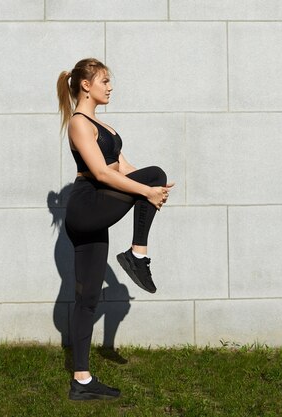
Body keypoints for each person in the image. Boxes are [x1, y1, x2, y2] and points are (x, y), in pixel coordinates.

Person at [56, 58, 174, 400]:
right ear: (85, 85)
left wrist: (156, 189)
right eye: (105, 81)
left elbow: (125, 168)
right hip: (87, 205)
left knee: (88, 297)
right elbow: (104, 174)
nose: (110, 87)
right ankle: (137, 254)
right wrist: (148, 186)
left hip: (99, 204)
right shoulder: (79, 123)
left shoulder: (104, 127)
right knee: (152, 176)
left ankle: (81, 381)